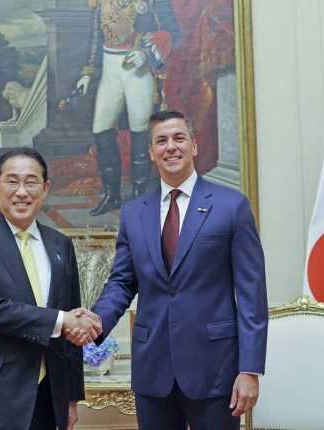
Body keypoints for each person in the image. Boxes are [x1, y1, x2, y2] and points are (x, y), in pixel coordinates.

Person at [88, 110, 268, 429]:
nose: (170, 146)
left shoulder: (231, 206)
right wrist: (96, 322)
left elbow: (252, 294)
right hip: (153, 370)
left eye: (178, 138)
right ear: (151, 152)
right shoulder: (133, 214)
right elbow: (121, 283)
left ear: (194, 146)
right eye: (161, 141)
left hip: (215, 369)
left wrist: (249, 369)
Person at [0, 148, 102, 430]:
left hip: (46, 395)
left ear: (45, 189)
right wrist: (61, 320)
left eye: (31, 182)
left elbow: (71, 326)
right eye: (11, 181)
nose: (21, 192)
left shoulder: (60, 245)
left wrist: (70, 398)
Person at [75, 0, 179, 216]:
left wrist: (147, 55)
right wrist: (86, 72)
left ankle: (140, 195)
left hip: (138, 70)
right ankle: (112, 195)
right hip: (109, 70)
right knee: (101, 128)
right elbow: (95, 39)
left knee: (140, 129)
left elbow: (172, 32)